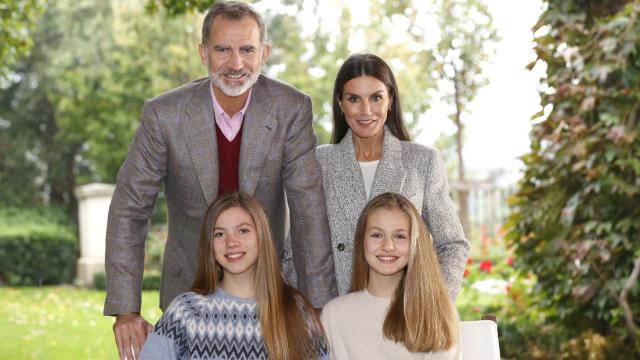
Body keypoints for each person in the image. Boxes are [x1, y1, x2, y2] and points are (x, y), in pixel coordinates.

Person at [105, 2, 337, 359]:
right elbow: (129, 208)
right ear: (203, 53)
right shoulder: (164, 115)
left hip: (268, 296)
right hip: (188, 289)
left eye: (247, 49)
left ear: (264, 53)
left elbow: (309, 209)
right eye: (222, 50)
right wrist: (126, 309)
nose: (235, 63)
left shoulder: (291, 108)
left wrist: (319, 305)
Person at [316, 53, 469, 297]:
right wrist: (318, 311)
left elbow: (452, 244)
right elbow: (297, 249)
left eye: (376, 98)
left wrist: (431, 304)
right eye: (354, 98)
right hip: (337, 317)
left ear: (390, 100)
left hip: (406, 315)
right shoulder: (319, 162)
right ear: (340, 103)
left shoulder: (423, 161)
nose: (366, 110)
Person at [139, 192, 328, 359]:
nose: (231, 242)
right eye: (219, 234)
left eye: (243, 231)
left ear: (261, 237)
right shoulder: (186, 311)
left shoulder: (296, 309)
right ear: (209, 245)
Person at [321, 192, 461, 359]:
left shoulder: (436, 313)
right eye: (377, 235)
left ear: (414, 244)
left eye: (399, 236)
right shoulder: (334, 314)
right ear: (362, 240)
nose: (388, 246)